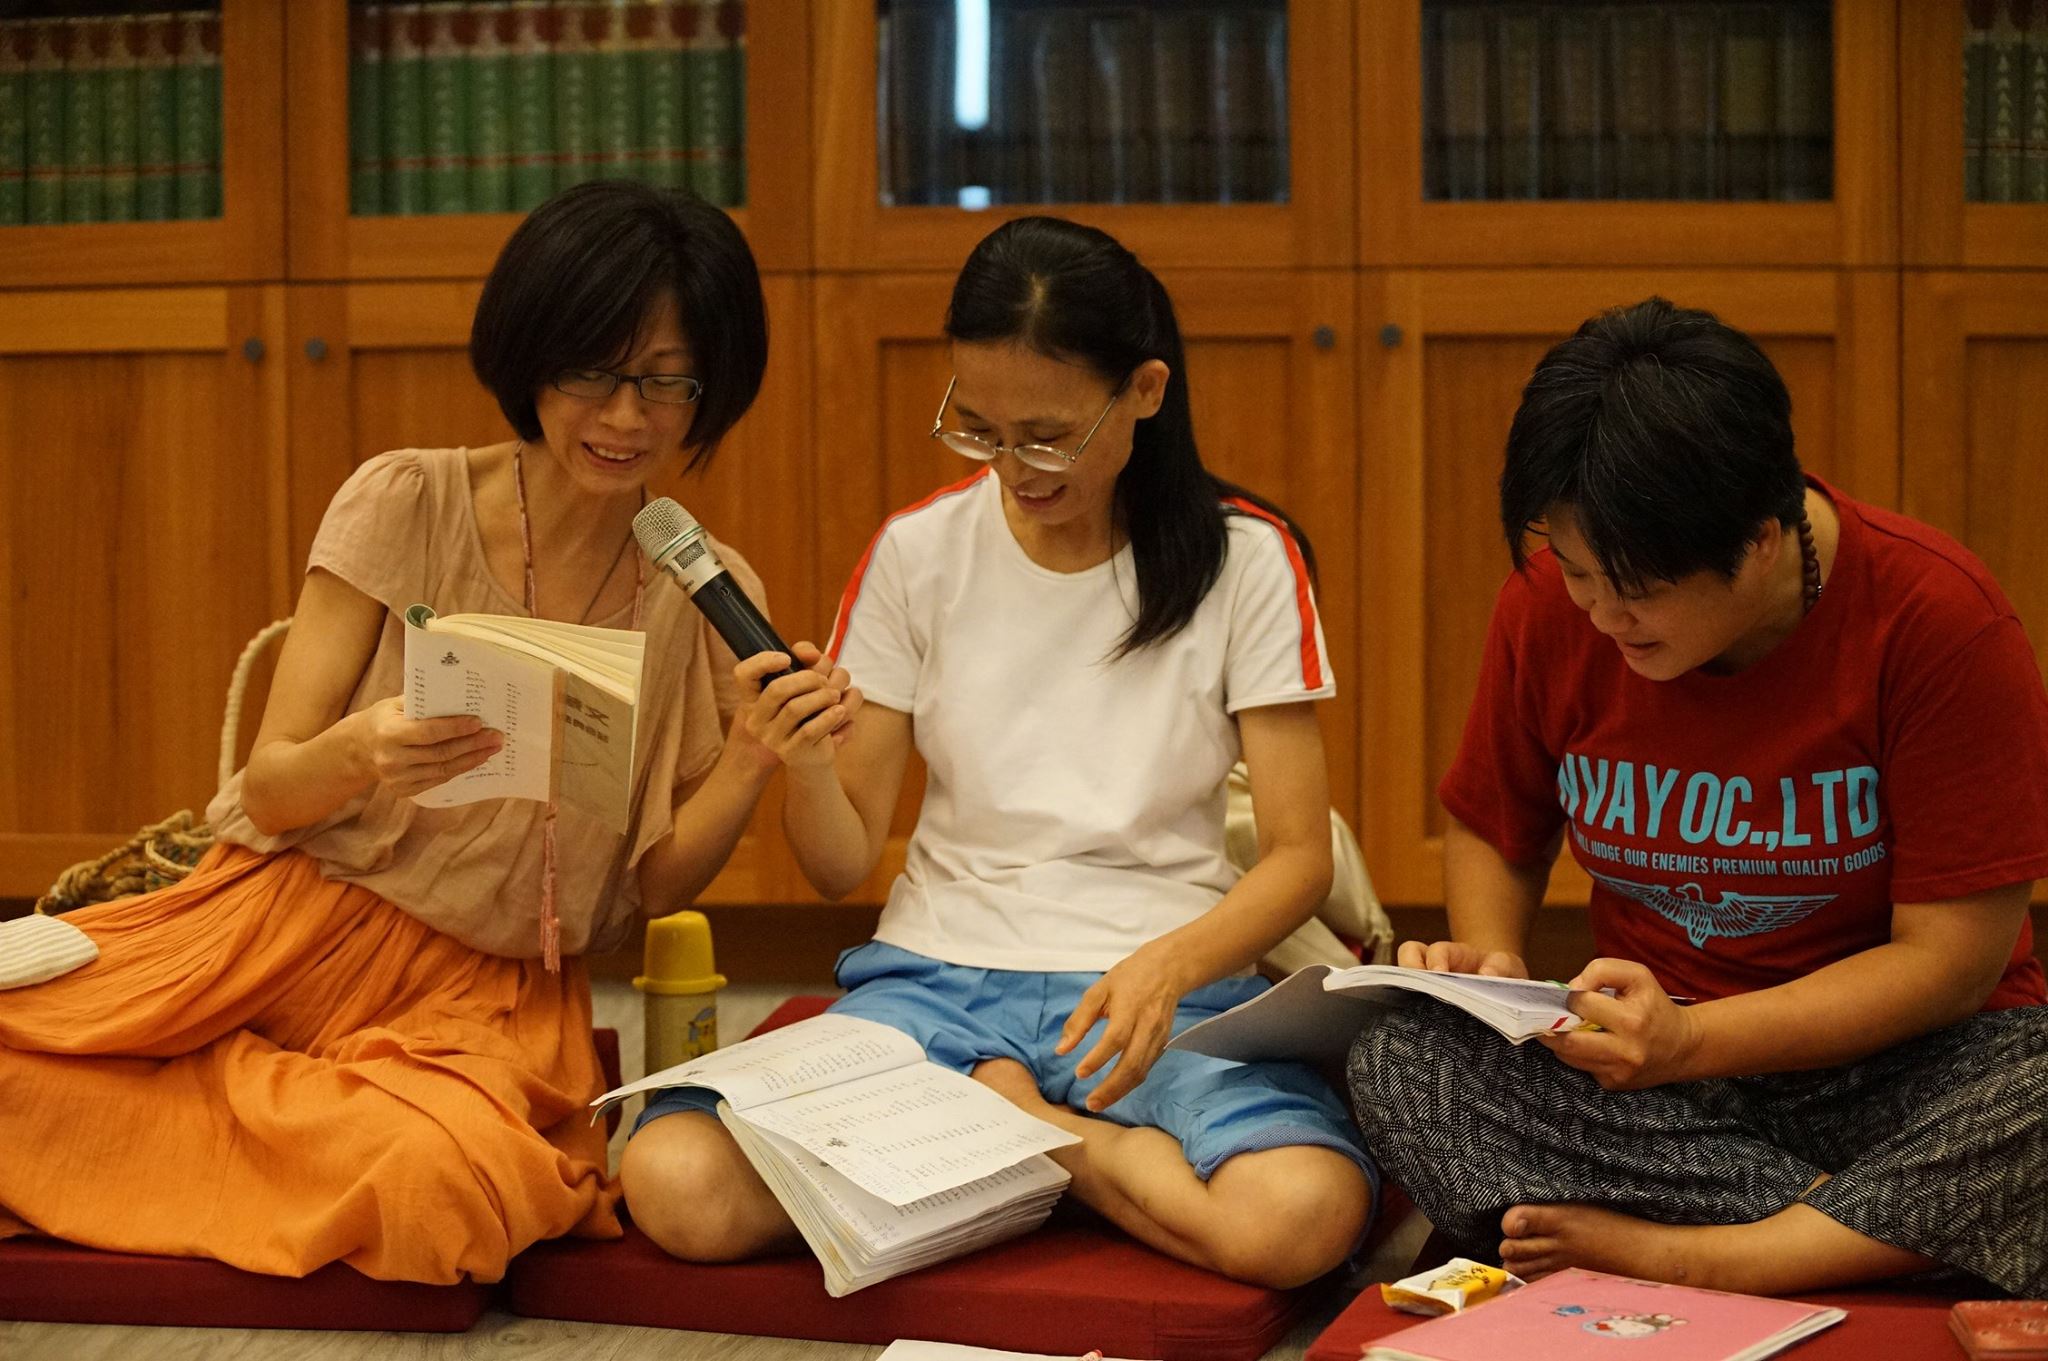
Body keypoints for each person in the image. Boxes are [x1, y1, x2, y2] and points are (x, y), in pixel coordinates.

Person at [0, 181, 839, 1284]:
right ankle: (245, 1099)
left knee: (435, 1185)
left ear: (709, 386)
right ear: (530, 356)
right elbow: (271, 786)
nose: (625, 418)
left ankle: (232, 1111)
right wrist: (366, 748)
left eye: (665, 381)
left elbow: (652, 890)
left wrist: (749, 758)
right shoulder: (405, 499)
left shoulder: (706, 590)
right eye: (591, 372)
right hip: (282, 928)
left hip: (487, 992)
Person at [621, 216, 1376, 1288]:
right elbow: (840, 864)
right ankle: (1075, 1158)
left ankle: (1013, 1135)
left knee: (1300, 1214)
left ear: (1145, 391)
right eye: (978, 429)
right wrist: (801, 758)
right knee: (674, 1178)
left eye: (1048, 435)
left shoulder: (1245, 558)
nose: (1014, 469)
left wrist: (1168, 964)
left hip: (1149, 982)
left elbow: (1297, 854)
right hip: (935, 985)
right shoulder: (917, 552)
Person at [1347, 297, 2048, 1298]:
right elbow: (1494, 825)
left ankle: (1708, 1252)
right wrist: (1495, 974)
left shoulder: (1938, 623)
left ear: (1759, 539)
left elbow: (1949, 965)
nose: (1600, 615)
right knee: (1404, 1061)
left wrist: (1695, 1042)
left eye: (1635, 590)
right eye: (1577, 572)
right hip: (1658, 1078)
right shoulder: (1551, 606)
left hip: (1902, 1065)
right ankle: (1874, 1234)